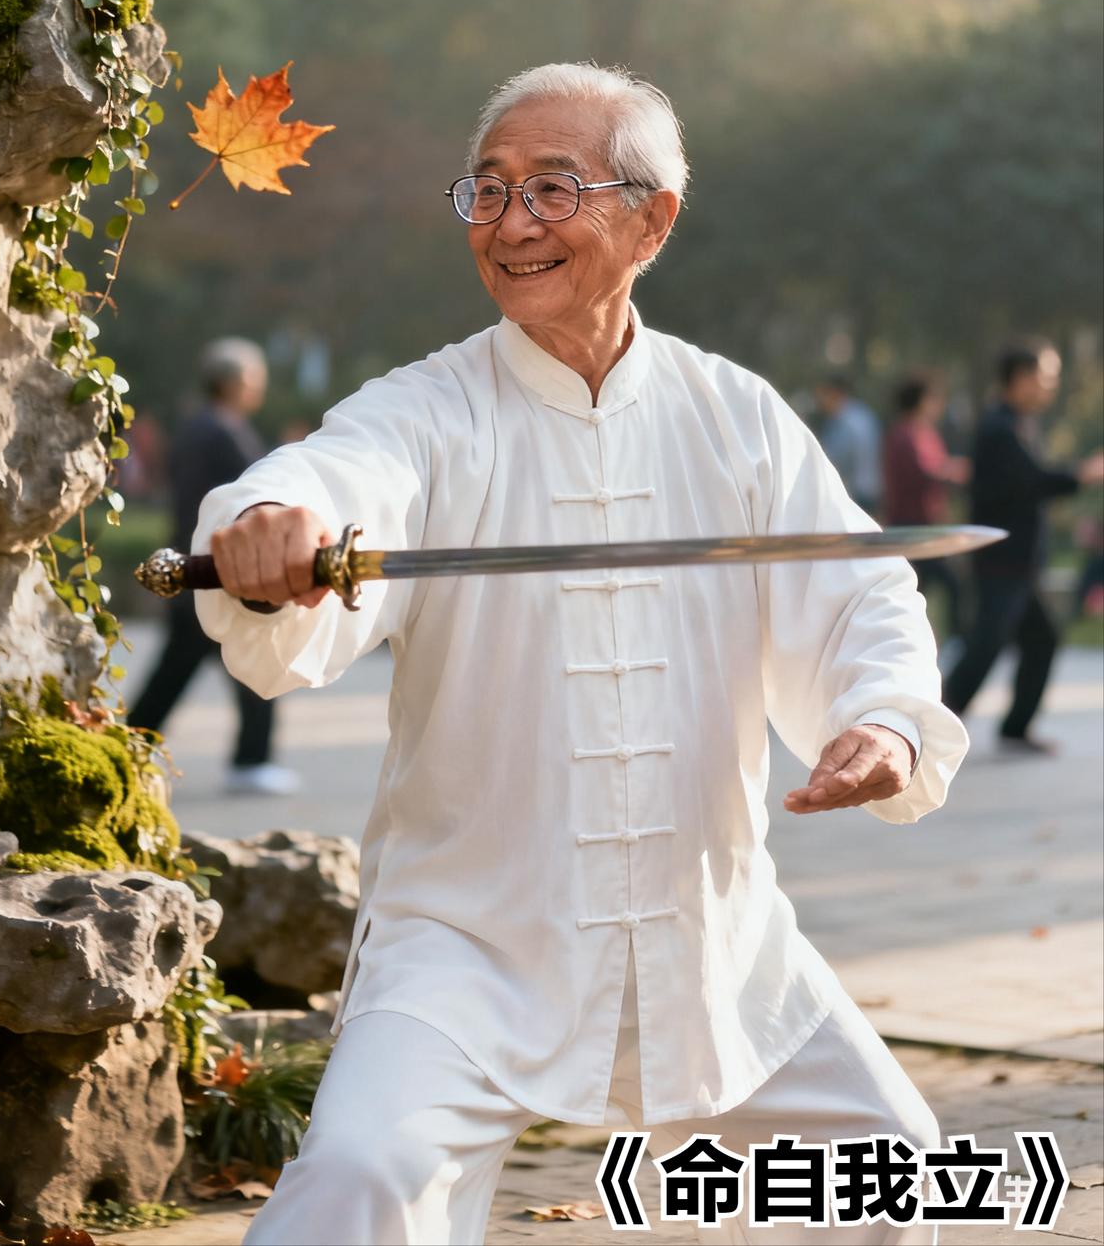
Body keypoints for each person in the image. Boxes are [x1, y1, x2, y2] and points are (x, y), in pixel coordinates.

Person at [194, 63, 969, 1245]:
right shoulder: (425, 410)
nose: (510, 224)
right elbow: (335, 475)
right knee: (360, 1175)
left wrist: (886, 719)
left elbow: (861, 589)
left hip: (711, 935)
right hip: (468, 944)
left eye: (553, 189)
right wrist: (272, 523)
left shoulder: (736, 414)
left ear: (651, 216)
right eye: (489, 190)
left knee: (895, 1171)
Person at [129, 337, 300, 795]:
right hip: (214, 570)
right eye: (255, 380)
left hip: (195, 566)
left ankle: (131, 746)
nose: (258, 389)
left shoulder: (194, 427)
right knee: (254, 664)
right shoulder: (222, 432)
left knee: (181, 674)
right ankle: (251, 761)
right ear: (237, 382)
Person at [943, 340, 1104, 753]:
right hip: (1002, 560)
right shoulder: (999, 428)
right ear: (1019, 379)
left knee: (1040, 639)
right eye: (1044, 377)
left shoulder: (1015, 424)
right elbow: (1031, 482)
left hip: (1017, 561)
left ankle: (1014, 728)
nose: (1050, 386)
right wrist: (1082, 474)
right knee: (987, 644)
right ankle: (931, 727)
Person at [882, 374, 970, 645]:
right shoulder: (906, 434)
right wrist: (953, 471)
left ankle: (931, 638)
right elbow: (924, 471)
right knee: (930, 586)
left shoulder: (922, 433)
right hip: (911, 528)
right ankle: (947, 641)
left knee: (928, 586)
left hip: (926, 526)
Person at [814, 373, 882, 515]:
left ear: (834, 393)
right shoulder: (862, 414)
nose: (820, 400)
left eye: (824, 394)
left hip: (855, 494)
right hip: (866, 491)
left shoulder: (844, 421)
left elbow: (835, 459)